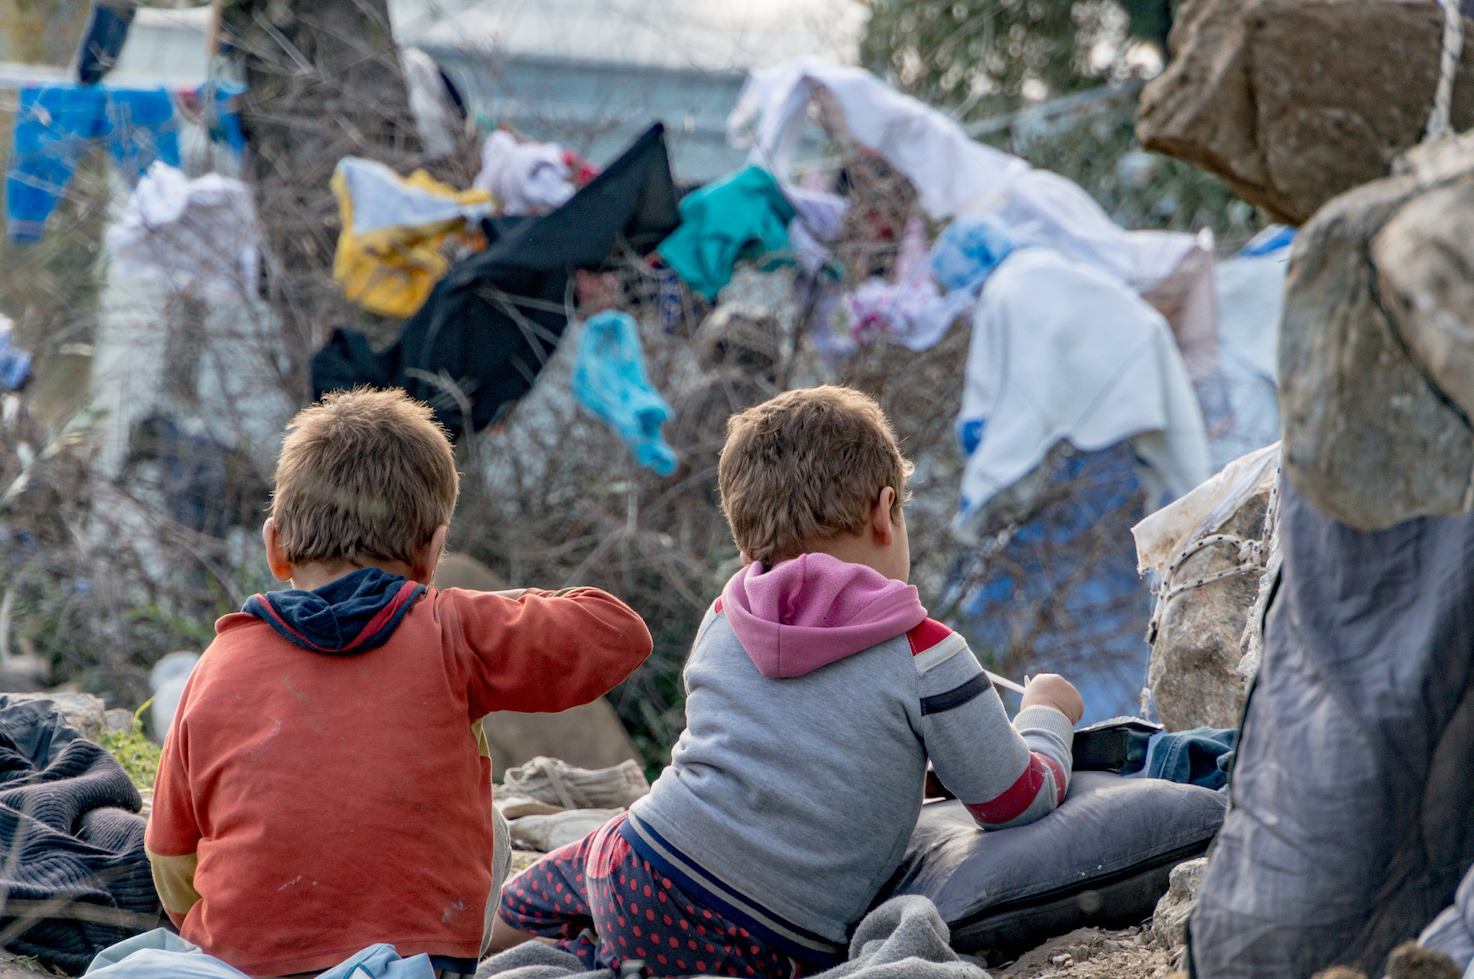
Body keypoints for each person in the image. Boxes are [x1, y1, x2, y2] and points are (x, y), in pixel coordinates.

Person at [490, 385, 1083, 977]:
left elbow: (779, 748)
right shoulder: (927, 652)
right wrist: (1046, 714)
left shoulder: (726, 617)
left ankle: (477, 938)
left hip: (636, 871)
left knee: (594, 859)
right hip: (767, 938)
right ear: (885, 513)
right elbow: (1013, 801)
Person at [145, 388, 653, 979]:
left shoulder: (218, 660)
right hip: (417, 960)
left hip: (239, 960)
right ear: (432, 551)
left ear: (275, 546)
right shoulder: (454, 629)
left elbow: (170, 855)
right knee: (493, 825)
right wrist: (481, 607)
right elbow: (619, 632)